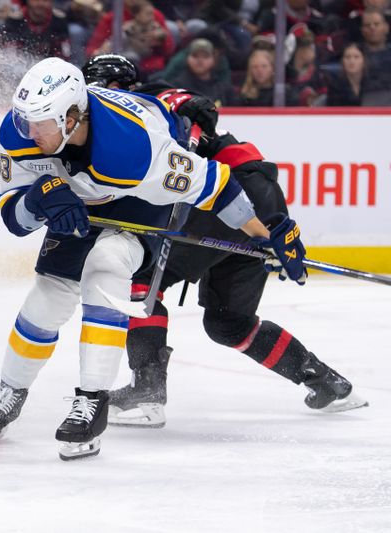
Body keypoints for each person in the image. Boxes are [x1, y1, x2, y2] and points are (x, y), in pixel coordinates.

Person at [0, 56, 307, 460]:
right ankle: (11, 390)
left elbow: (215, 187)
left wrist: (265, 234)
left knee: (107, 268)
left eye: (40, 123)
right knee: (48, 295)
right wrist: (36, 201)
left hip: (137, 205)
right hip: (78, 198)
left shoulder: (135, 145)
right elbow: (14, 218)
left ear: (73, 117)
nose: (29, 131)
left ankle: (91, 402)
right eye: (26, 121)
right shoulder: (19, 130)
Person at [79, 53, 368, 428]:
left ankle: (147, 393)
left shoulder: (148, 100)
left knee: (141, 276)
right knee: (229, 323)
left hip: (233, 194)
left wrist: (186, 145)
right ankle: (328, 384)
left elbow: (192, 109)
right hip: (253, 201)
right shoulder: (112, 136)